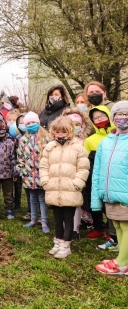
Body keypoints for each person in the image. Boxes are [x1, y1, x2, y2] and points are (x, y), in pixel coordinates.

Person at [40, 116, 90, 259]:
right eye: (57, 132)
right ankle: (58, 240)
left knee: (68, 218)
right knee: (57, 218)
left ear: (70, 132)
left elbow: (83, 168)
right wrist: (46, 182)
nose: (60, 135)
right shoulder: (50, 148)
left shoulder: (78, 148)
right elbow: (44, 166)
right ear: (53, 132)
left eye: (64, 132)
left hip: (70, 190)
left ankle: (66, 244)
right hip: (54, 189)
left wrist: (77, 184)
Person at [93, 101, 128, 275]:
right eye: (118, 115)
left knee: (127, 227)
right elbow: (98, 170)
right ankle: (122, 257)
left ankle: (122, 262)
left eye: (126, 115)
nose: (122, 118)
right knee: (119, 226)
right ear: (113, 118)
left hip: (125, 195)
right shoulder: (106, 142)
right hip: (110, 193)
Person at [83, 105, 115, 242]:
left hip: (111, 174)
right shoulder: (90, 140)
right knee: (94, 200)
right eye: (95, 118)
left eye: (102, 116)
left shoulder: (116, 136)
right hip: (94, 174)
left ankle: (112, 230)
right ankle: (98, 227)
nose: (99, 119)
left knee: (110, 202)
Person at [61, 107, 94, 239]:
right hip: (64, 176)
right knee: (64, 202)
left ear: (83, 125)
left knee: (76, 203)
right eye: (71, 125)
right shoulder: (62, 141)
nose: (74, 128)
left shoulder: (83, 142)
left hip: (77, 178)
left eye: (77, 125)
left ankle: (75, 228)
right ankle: (65, 226)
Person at [17, 111, 51, 233]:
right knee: (32, 198)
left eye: (33, 122)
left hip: (42, 174)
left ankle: (44, 221)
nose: (31, 125)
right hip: (28, 175)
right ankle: (33, 219)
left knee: (42, 198)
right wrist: (21, 170)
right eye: (28, 123)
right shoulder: (23, 140)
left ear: (38, 123)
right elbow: (20, 156)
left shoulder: (46, 138)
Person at [0, 114, 16, 219]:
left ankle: (9, 209)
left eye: (3, 134)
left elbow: (13, 157)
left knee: (8, 193)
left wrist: (15, 172)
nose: (1, 136)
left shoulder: (10, 142)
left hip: (8, 173)